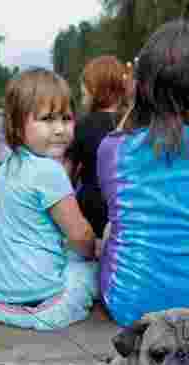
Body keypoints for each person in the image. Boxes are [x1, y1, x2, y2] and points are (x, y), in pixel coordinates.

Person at [97, 20, 189, 327]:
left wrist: (134, 98)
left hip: (128, 306)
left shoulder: (112, 150)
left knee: (114, 228)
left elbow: (117, 205)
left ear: (142, 84)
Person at [0, 68, 100, 331]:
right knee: (88, 268)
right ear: (17, 127)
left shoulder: (8, 164)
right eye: (47, 119)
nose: (60, 129)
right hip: (46, 306)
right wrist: (94, 252)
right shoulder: (51, 171)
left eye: (66, 118)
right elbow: (80, 235)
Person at [64, 55, 128, 238]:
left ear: (96, 91)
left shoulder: (82, 126)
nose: (82, 95)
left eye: (85, 92)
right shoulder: (135, 125)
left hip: (92, 212)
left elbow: (66, 176)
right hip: (125, 210)